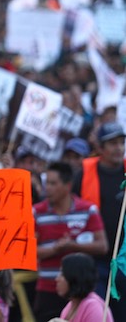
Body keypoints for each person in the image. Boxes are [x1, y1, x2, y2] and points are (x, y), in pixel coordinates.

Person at [32, 161, 107, 321]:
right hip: (47, 288)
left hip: (79, 292)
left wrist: (72, 245)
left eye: (53, 183)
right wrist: (56, 249)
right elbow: (27, 251)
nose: (48, 188)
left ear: (68, 185)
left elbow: (103, 246)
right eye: (47, 183)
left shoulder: (88, 210)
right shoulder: (36, 212)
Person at [73, 121, 126, 320]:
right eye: (113, 143)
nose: (119, 148)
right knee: (98, 313)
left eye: (122, 142)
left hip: (124, 260)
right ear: (100, 148)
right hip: (95, 261)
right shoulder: (83, 174)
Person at [55, 253, 114, 322]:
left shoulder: (93, 307)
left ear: (74, 278)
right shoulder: (71, 305)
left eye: (62, 274)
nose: (57, 279)